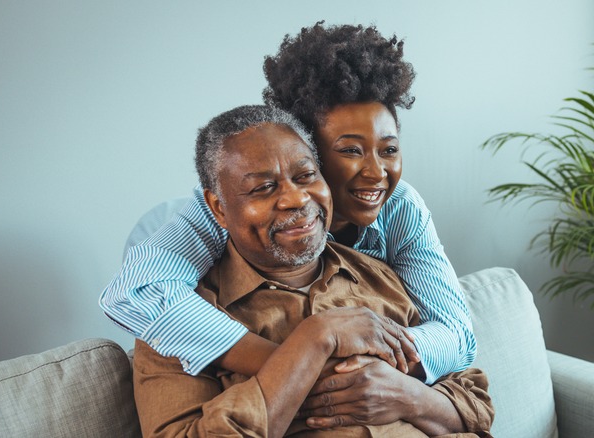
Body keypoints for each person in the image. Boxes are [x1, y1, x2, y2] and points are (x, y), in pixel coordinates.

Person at [101, 22, 474, 389]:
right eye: (350, 151)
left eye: (389, 150)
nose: (376, 173)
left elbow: (457, 334)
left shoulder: (401, 206)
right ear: (305, 150)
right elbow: (135, 290)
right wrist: (300, 366)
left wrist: (373, 371)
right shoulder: (224, 210)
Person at [133, 104, 493, 437]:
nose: (296, 199)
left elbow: (476, 405)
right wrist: (315, 340)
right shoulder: (174, 323)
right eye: (263, 187)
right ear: (218, 208)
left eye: (306, 176)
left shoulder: (378, 273)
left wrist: (405, 395)